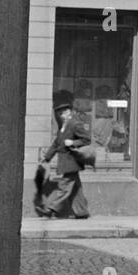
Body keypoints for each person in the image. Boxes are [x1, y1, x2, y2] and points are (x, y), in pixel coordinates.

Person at [33, 90, 92, 219]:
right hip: (66, 162)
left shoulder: (75, 124)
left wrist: (73, 142)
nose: (62, 115)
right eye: (60, 113)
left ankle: (50, 208)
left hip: (71, 162)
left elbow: (87, 139)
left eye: (64, 112)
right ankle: (82, 212)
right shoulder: (63, 127)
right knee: (75, 189)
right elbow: (56, 144)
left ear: (70, 112)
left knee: (64, 187)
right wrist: (47, 157)